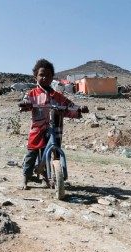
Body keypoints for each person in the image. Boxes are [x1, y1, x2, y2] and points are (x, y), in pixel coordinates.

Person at [18, 59, 88, 190]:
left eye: (48, 75)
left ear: (52, 78)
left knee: (50, 151)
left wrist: (79, 109)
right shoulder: (32, 94)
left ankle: (47, 176)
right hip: (37, 130)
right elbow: (25, 102)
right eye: (41, 75)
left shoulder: (57, 96)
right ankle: (25, 178)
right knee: (31, 154)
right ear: (35, 77)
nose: (45, 78)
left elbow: (69, 106)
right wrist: (25, 105)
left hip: (54, 128)